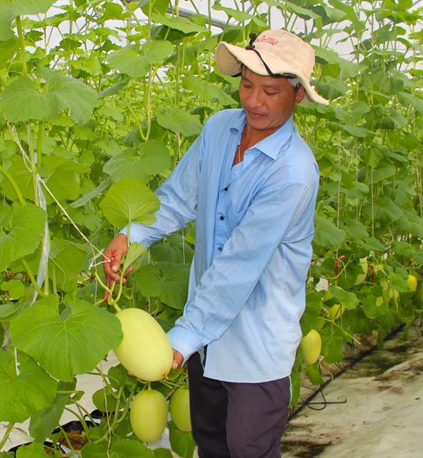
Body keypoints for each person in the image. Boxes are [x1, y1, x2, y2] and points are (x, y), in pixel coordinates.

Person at [103, 29, 329, 457]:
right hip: (206, 340)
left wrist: (181, 337)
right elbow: (175, 199)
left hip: (255, 344)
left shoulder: (293, 173)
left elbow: (237, 268)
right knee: (211, 444)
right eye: (246, 84)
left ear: (297, 96)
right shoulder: (219, 129)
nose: (253, 101)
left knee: (248, 449)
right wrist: (131, 236)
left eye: (270, 91)